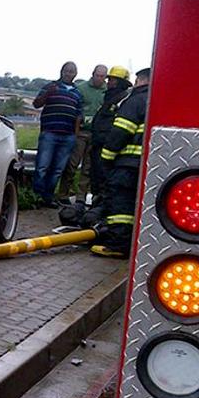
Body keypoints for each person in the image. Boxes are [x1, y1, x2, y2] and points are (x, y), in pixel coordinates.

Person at [91, 68, 150, 258]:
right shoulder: (158, 100)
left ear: (141, 80)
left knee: (121, 205)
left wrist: (106, 158)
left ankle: (118, 245)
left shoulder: (135, 101)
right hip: (147, 165)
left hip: (127, 164)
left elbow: (120, 132)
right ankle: (134, 244)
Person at [32, 61, 83, 208]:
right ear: (61, 71)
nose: (69, 74)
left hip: (68, 137)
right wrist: (48, 94)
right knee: (42, 167)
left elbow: (79, 116)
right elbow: (36, 104)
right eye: (66, 71)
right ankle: (37, 196)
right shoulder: (51, 86)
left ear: (75, 74)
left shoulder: (77, 93)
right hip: (49, 134)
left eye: (72, 71)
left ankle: (48, 197)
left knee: (57, 170)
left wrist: (75, 136)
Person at [58, 64, 107, 204]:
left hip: (96, 134)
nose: (100, 79)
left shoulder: (106, 91)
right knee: (72, 164)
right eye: (98, 76)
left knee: (88, 167)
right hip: (80, 132)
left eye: (103, 77)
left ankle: (81, 196)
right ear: (93, 74)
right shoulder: (81, 88)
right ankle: (63, 194)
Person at [89, 65, 132, 199]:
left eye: (112, 80)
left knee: (104, 179)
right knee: (96, 176)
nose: (108, 82)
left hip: (107, 147)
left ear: (120, 82)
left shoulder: (122, 99)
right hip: (99, 144)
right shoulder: (110, 98)